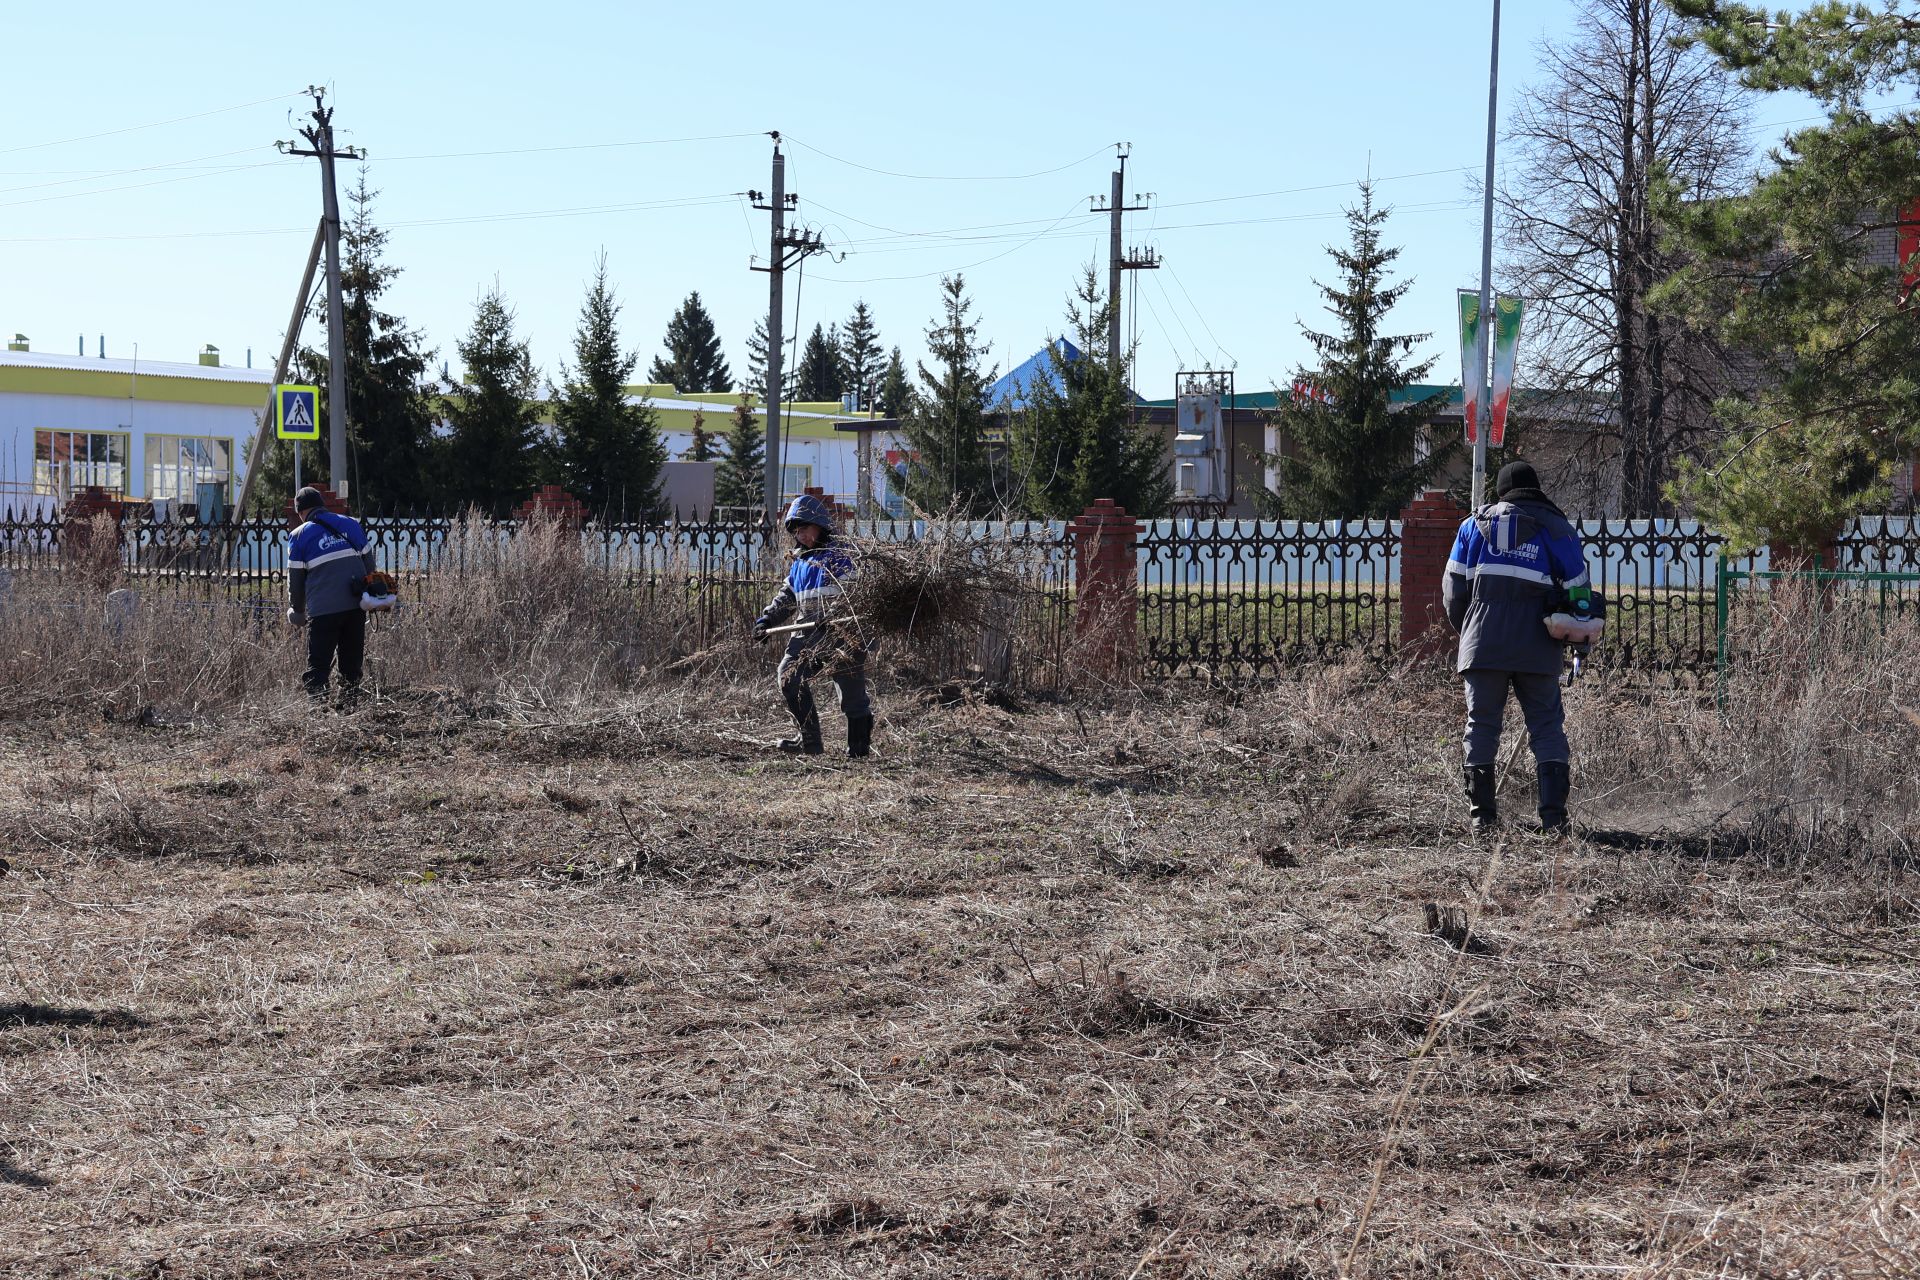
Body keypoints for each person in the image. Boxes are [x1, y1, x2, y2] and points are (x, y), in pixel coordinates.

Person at [1443, 460, 1594, 834]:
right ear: (1536, 490)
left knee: (1481, 725)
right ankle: (1554, 821)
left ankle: (1482, 819)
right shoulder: (1557, 529)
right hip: (1538, 647)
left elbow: (1452, 592)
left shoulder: (1470, 528)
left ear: (1501, 493)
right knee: (1546, 727)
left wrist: (1472, 631)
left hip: (1483, 645)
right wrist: (1577, 644)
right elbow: (1580, 593)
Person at [752, 494, 874, 757]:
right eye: (797, 532)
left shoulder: (842, 556)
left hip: (844, 636)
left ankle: (859, 749)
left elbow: (855, 594)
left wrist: (833, 615)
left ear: (819, 524)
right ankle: (809, 743)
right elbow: (788, 596)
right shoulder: (799, 562)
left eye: (804, 529)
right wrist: (767, 619)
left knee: (852, 697)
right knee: (788, 676)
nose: (801, 536)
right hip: (807, 635)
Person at [287, 486, 377, 702]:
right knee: (351, 666)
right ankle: (349, 708)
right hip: (356, 607)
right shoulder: (350, 524)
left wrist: (297, 611)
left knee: (318, 666)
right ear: (321, 505)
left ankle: (318, 711)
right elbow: (370, 565)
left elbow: (296, 580)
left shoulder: (298, 535)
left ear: (300, 512)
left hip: (323, 611)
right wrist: (372, 595)